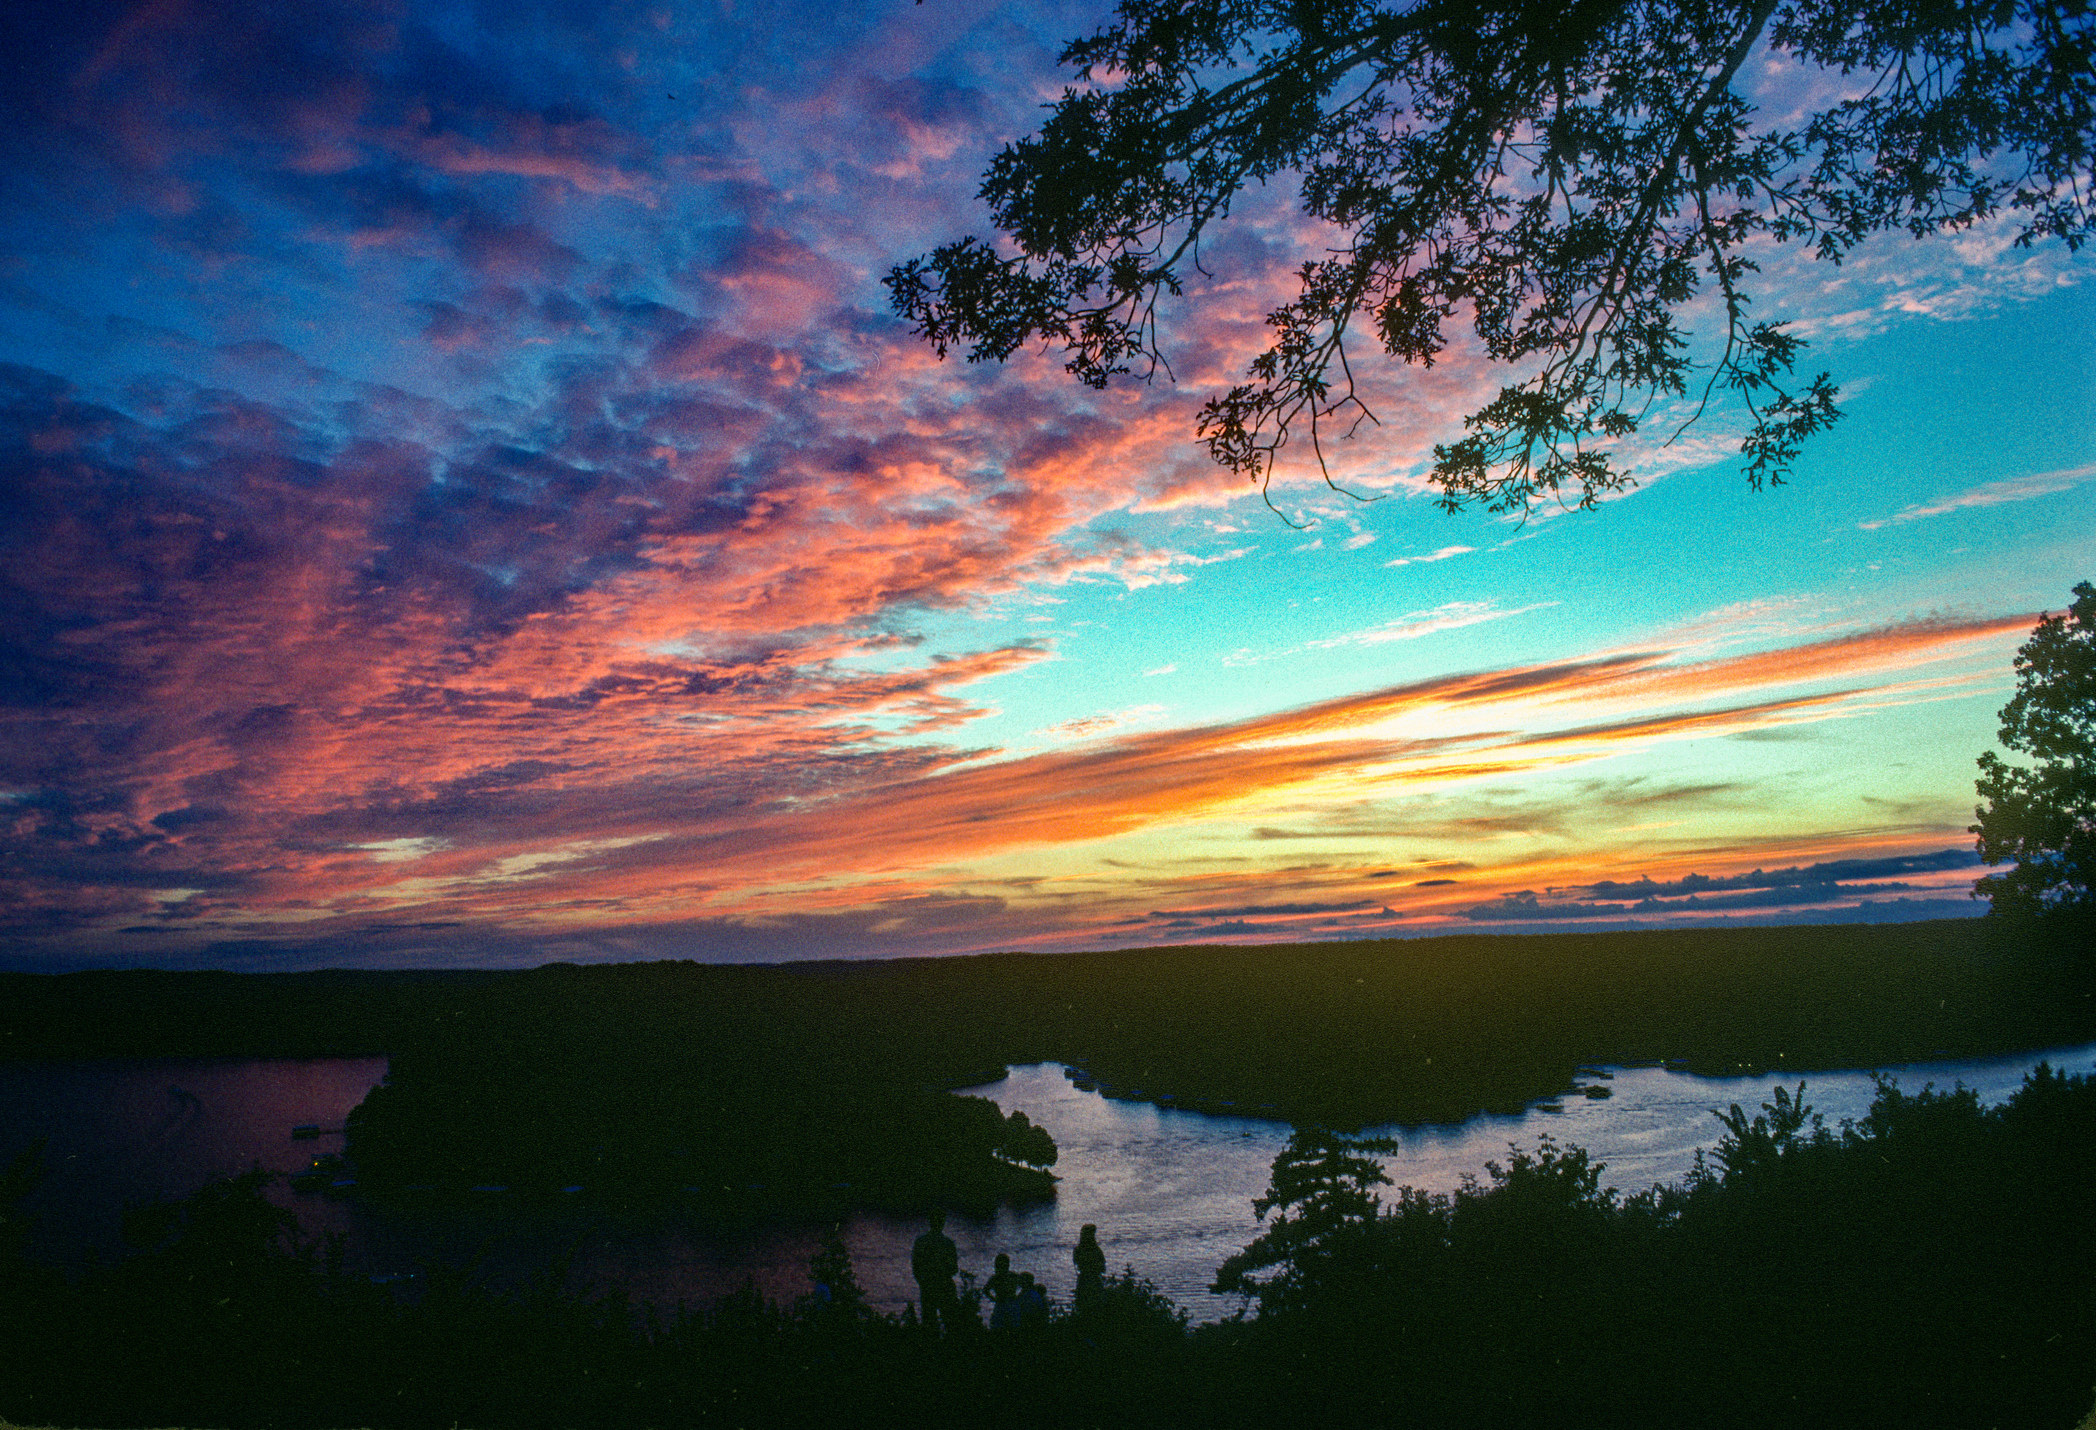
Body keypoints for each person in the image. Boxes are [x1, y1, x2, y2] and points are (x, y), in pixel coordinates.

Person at [911, 1208, 960, 1333]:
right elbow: (954, 1269)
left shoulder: (920, 1242)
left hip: (928, 1288)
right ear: (942, 1222)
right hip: (945, 1288)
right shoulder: (948, 1244)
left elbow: (916, 1268)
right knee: (950, 1325)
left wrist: (924, 1283)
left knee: (929, 1325)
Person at [1073, 1223, 1107, 1308]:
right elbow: (1103, 1268)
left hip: (1083, 1281)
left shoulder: (1077, 1250)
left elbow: (1077, 1264)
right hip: (1095, 1281)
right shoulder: (1097, 1250)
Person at [985, 1251, 1020, 1330]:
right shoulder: (1012, 1276)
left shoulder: (996, 1278)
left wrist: (993, 1299)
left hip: (1005, 1304)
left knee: (1000, 1328)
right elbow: (986, 1290)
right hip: (1007, 1304)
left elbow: (986, 1290)